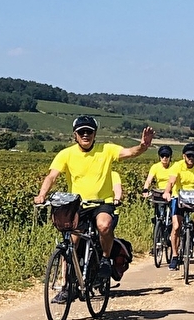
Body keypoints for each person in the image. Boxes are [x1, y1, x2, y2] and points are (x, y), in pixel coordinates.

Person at [33, 116, 155, 297]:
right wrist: (42, 194)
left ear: (95, 134)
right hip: (77, 205)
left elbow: (129, 152)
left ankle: (105, 259)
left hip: (102, 203)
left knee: (104, 225)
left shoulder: (106, 150)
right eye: (81, 132)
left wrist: (143, 146)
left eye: (89, 131)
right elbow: (52, 176)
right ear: (75, 135)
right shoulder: (66, 154)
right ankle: (66, 286)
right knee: (70, 244)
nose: (85, 135)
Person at [163, 143, 194, 269]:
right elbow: (171, 181)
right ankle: (175, 256)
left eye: (193, 156)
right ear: (184, 156)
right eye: (189, 156)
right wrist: (167, 192)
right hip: (179, 197)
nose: (191, 158)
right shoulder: (177, 166)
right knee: (176, 227)